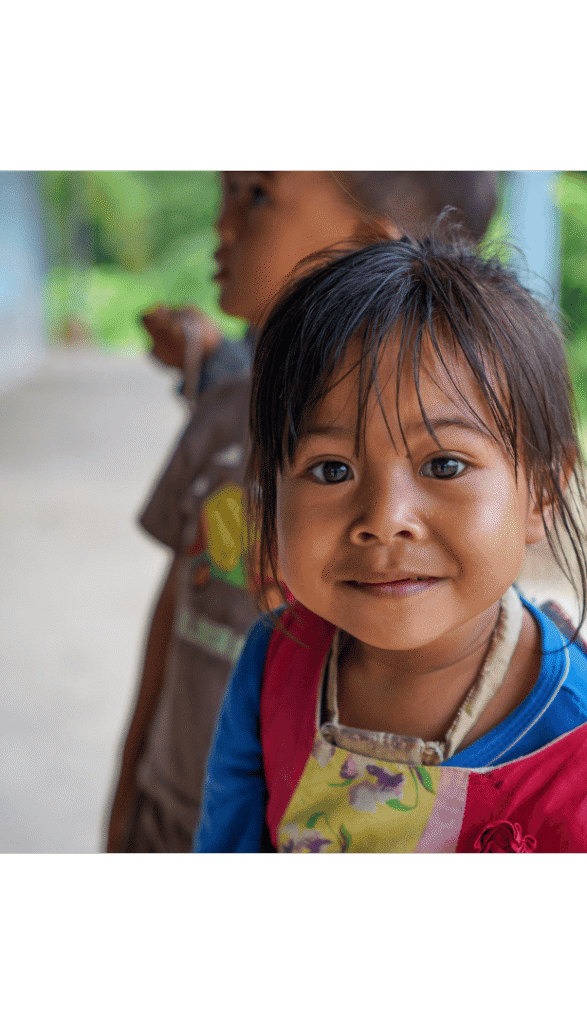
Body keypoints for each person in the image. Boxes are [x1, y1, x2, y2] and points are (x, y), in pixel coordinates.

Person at [195, 227, 587, 853]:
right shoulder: (274, 663)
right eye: (330, 469)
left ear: (541, 492)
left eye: (445, 465)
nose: (385, 517)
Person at [106, 171, 500, 853]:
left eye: (255, 195)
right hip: (168, 813)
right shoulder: (225, 414)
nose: (222, 225)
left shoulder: (436, 493)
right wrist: (126, 796)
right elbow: (173, 617)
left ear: (371, 251)